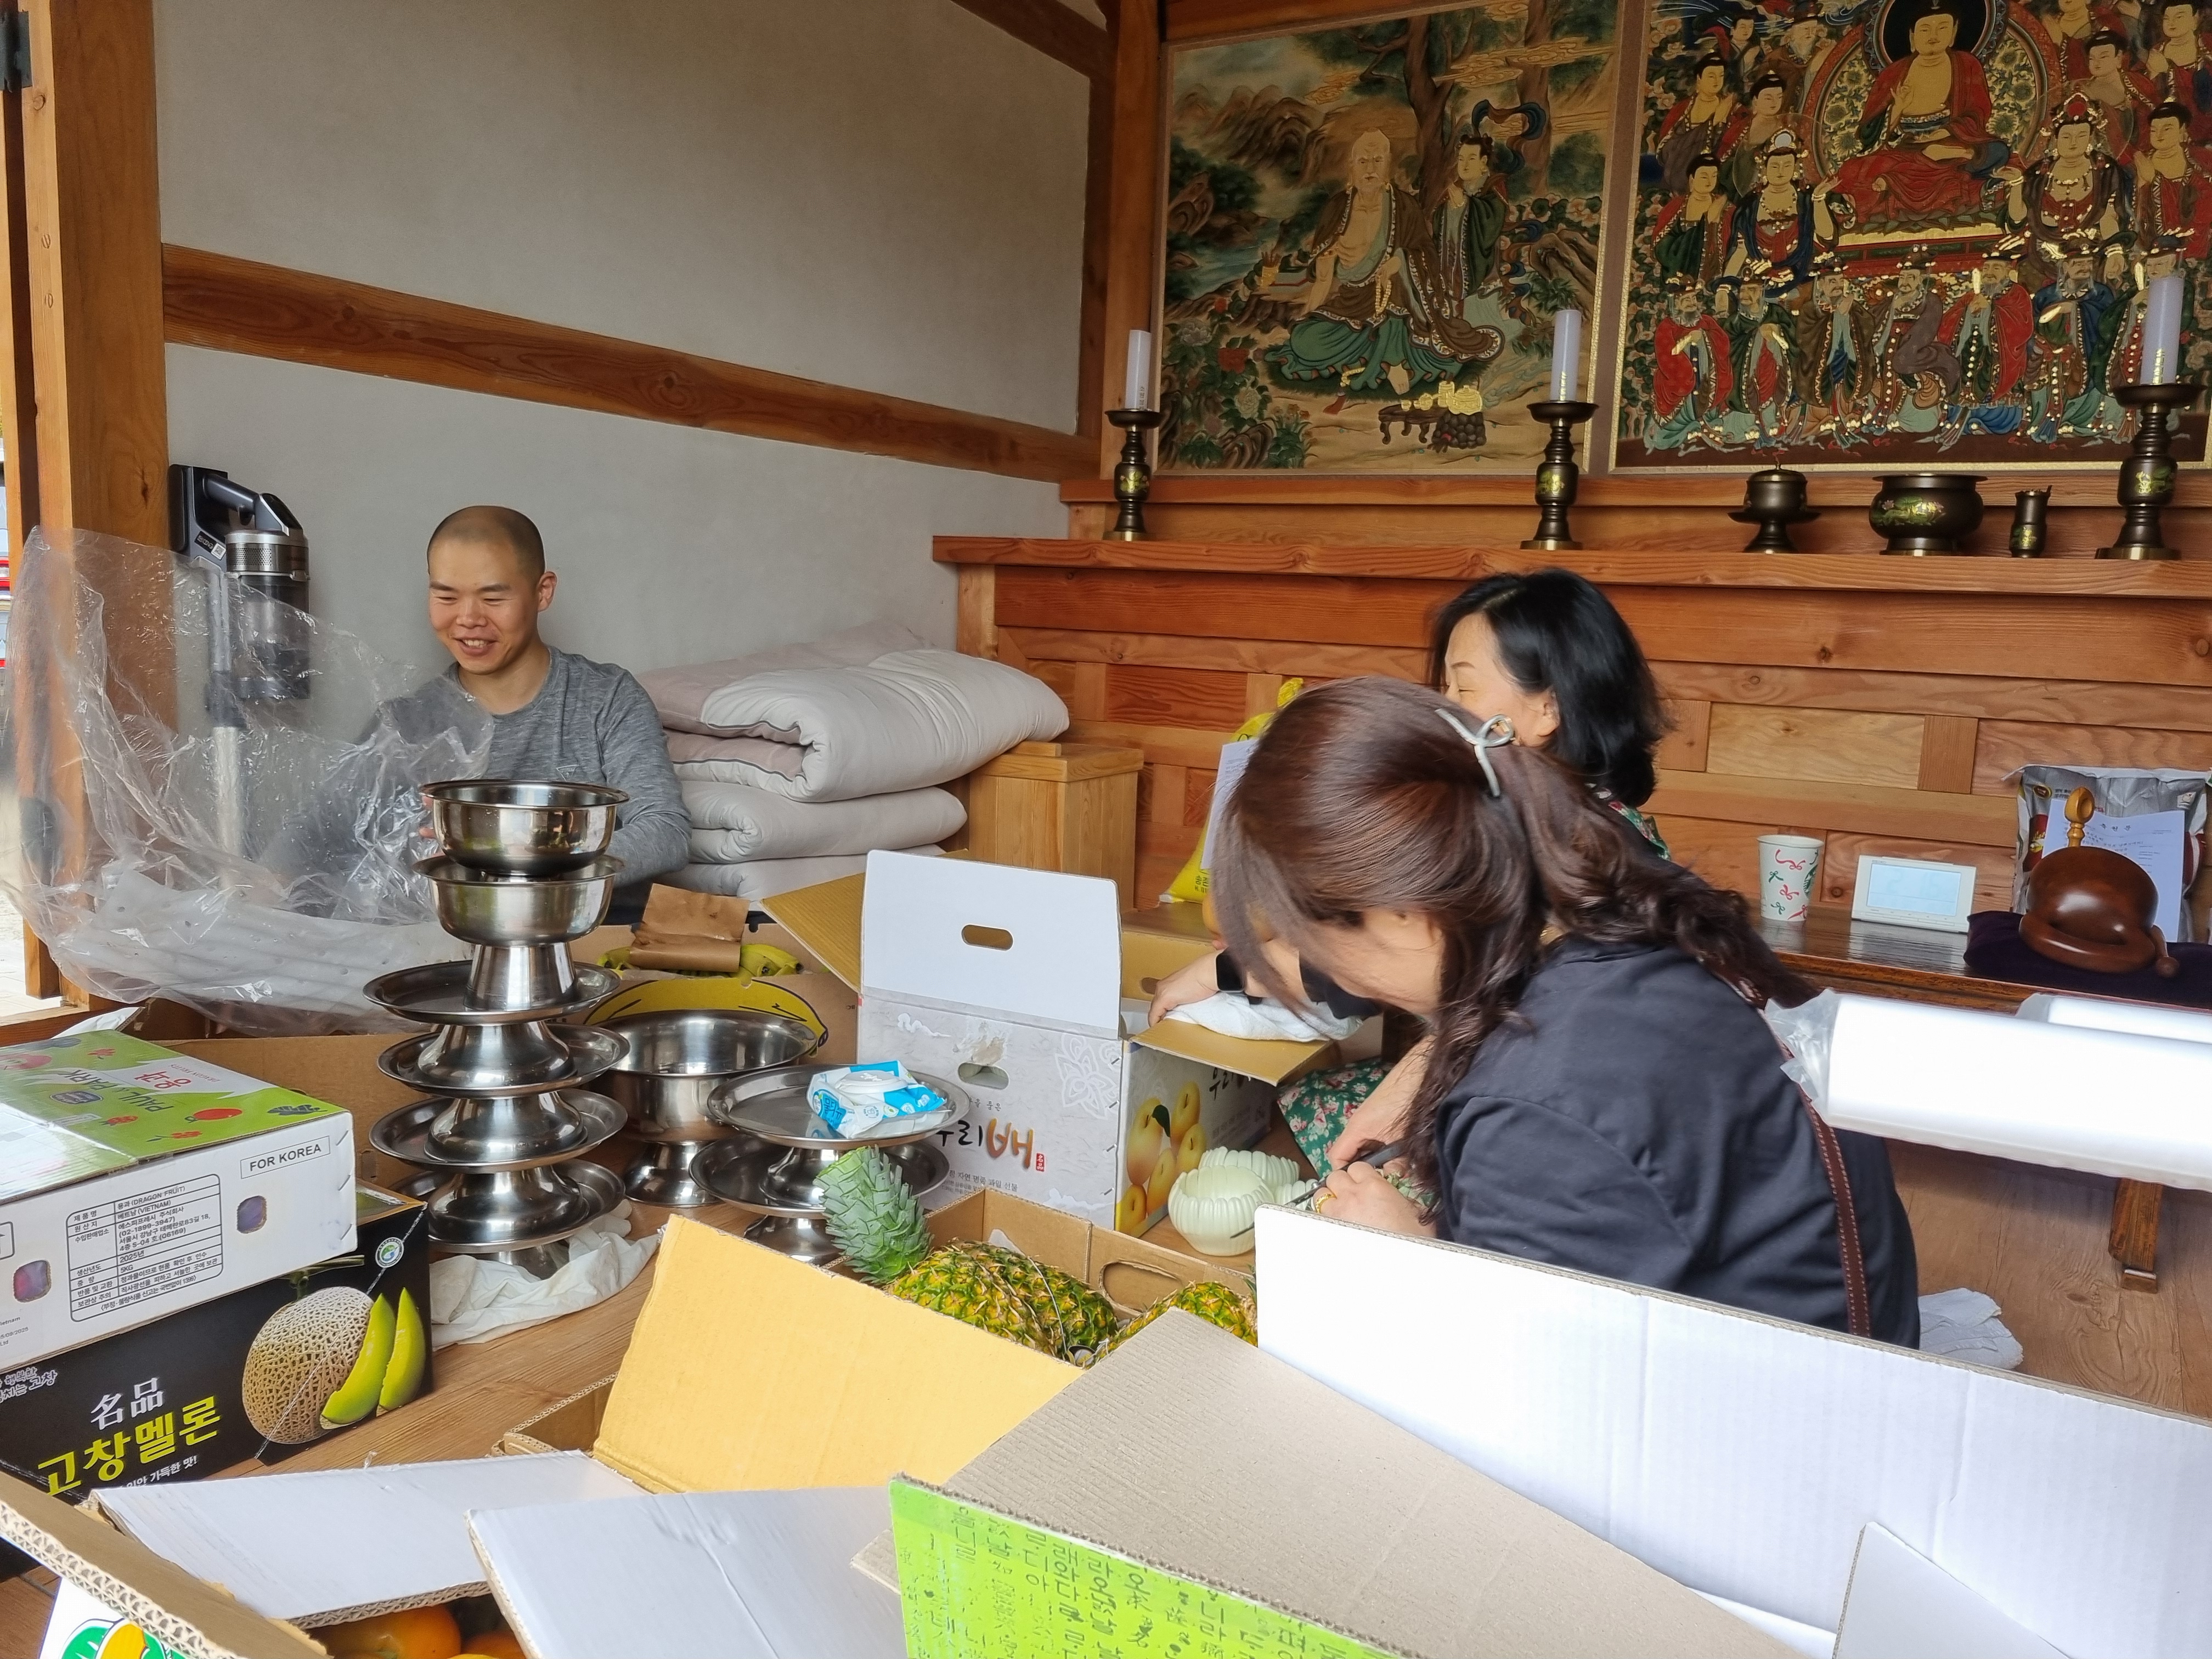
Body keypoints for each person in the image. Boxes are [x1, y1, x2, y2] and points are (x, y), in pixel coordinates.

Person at [1216, 676, 1921, 1348]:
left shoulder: (1536, 1110)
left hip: (1781, 1404)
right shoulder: (1636, 904)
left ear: (1402, 912)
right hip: (1856, 1333)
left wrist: (1402, 1258)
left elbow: (1531, 1393)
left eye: (1314, 943)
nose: (1334, 973)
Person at [1150, 568, 1672, 1169]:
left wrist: (1229, 971)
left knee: (1325, 1125)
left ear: (1547, 709)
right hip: (1519, 1084)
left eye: (1464, 688)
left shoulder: (1579, 845)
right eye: (1443, 686)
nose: (1444, 709)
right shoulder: (1539, 817)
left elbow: (1431, 969)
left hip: (1574, 1131)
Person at [387, 506, 689, 918]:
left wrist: (524, 870)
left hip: (592, 932)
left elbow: (666, 831)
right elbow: (324, 848)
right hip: (450, 935)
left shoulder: (605, 698)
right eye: (446, 597)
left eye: (493, 598)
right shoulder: (405, 723)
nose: (468, 619)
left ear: (543, 592)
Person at [1832, 0, 2008, 226]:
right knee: (1851, 169)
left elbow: (1977, 112)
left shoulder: (1966, 65)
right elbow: (1870, 135)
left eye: (1943, 28)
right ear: (1912, 37)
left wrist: (1943, 133)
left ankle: (1901, 177)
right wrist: (1898, 108)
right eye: (1925, 29)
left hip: (1953, 142)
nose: (1934, 36)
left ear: (1954, 33)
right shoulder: (1893, 74)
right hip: (1904, 149)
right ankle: (1936, 169)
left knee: (1997, 151)